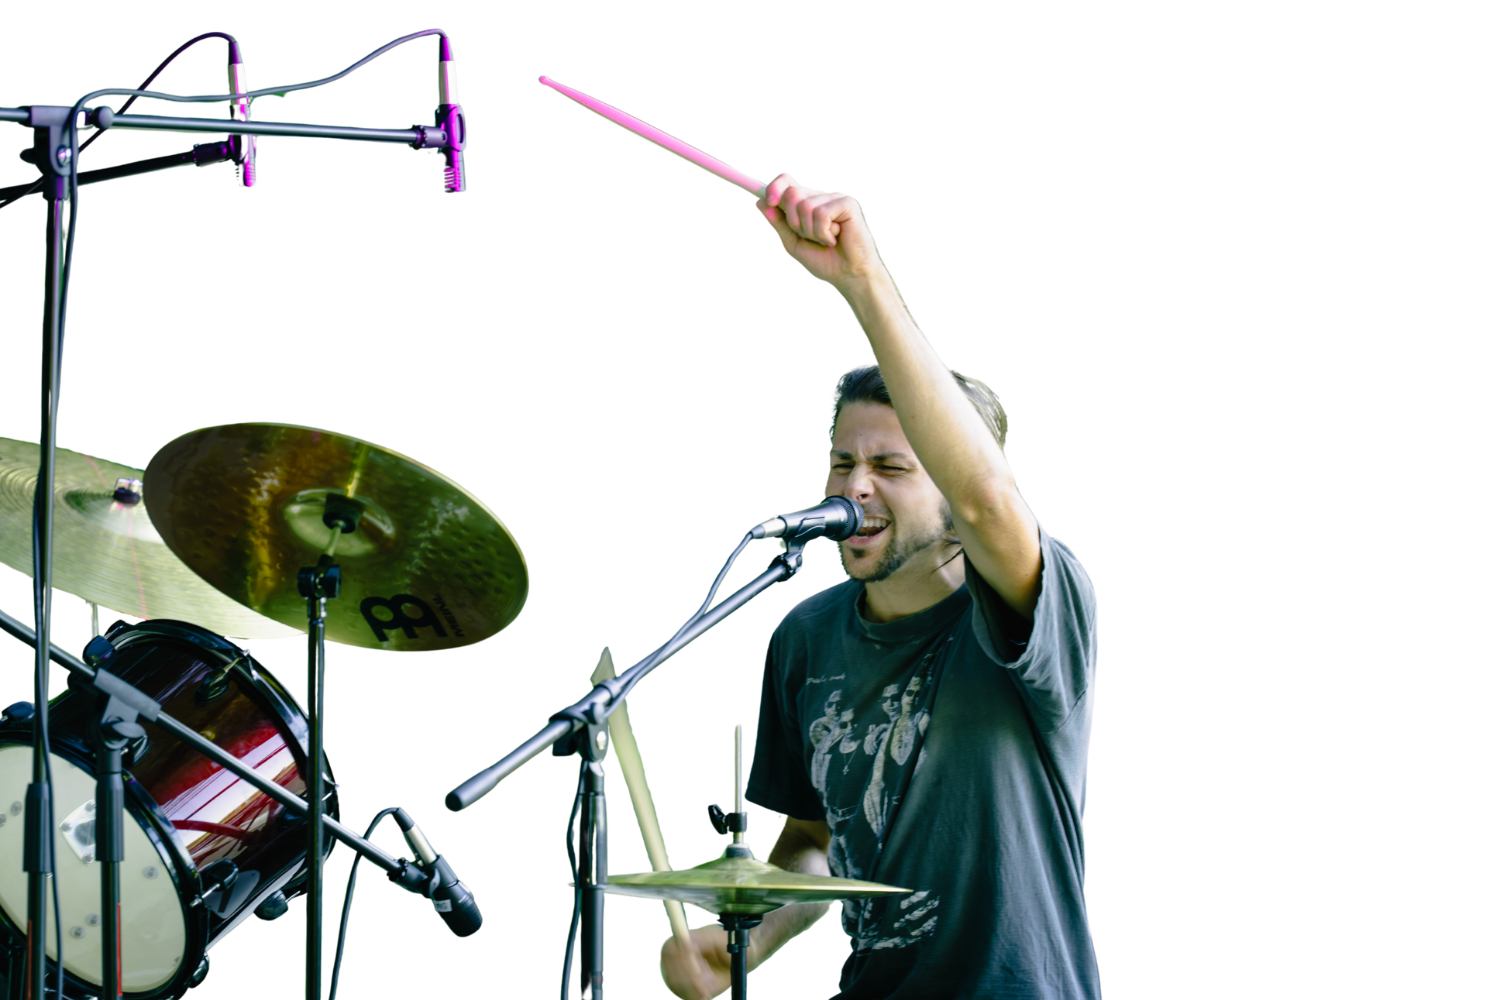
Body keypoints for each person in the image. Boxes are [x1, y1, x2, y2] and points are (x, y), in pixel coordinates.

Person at [658, 173, 1102, 1000]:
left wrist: (862, 281)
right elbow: (814, 838)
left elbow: (982, 497)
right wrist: (739, 944)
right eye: (841, 462)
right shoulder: (802, 639)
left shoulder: (1033, 607)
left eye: (893, 467)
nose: (855, 486)